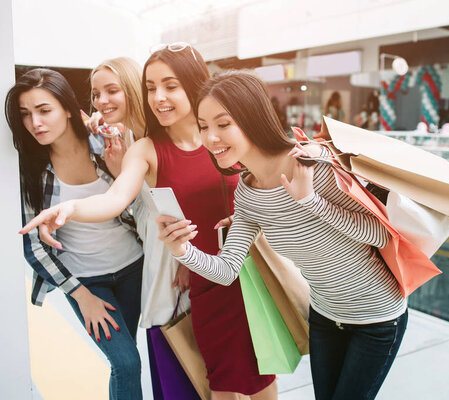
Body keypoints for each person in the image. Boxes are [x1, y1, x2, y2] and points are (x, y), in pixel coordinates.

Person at [19, 46, 278, 400]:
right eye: (151, 87)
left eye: (170, 86)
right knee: (218, 387)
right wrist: (70, 209)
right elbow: (114, 199)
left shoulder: (220, 136)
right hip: (201, 284)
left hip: (248, 280)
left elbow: (263, 185)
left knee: (263, 383)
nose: (159, 97)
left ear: (193, 84)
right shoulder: (143, 148)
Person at [155, 70, 408, 400]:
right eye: (203, 126)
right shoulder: (247, 194)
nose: (210, 137)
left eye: (223, 123)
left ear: (251, 117)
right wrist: (181, 251)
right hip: (325, 316)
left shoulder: (312, 164)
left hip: (377, 317)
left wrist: (311, 201)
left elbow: (381, 234)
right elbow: (227, 270)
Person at [6, 68, 144, 399]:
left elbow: (136, 206)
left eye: (44, 110)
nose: (35, 123)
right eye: (25, 114)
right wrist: (82, 297)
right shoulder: (28, 171)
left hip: (134, 269)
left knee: (130, 358)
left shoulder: (103, 143)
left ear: (67, 108)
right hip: (87, 282)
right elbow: (35, 248)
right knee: (125, 364)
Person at [89, 57, 194, 399]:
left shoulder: (155, 138)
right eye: (95, 94)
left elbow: (184, 201)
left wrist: (185, 261)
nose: (101, 101)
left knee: (182, 348)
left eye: (111, 90)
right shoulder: (128, 138)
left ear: (132, 90)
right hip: (156, 255)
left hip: (175, 258)